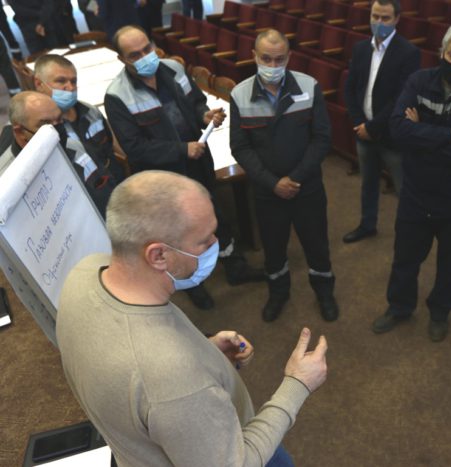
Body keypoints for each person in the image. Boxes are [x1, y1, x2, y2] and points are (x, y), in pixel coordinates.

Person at [56, 170, 329, 467]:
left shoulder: (83, 273)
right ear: (158, 256)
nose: (216, 243)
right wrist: (298, 384)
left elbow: (136, 373)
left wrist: (204, 351)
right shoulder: (172, 377)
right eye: (204, 241)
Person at [105, 25, 264, 311]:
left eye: (147, 49)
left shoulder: (174, 69)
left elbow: (195, 102)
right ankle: (192, 284)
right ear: (122, 59)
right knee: (175, 233)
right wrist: (182, 149)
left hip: (198, 162)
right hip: (162, 179)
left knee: (212, 214)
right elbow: (135, 148)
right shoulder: (117, 95)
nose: (144, 57)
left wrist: (204, 116)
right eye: (134, 55)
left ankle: (234, 265)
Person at [370, 20, 451, 342]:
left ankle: (440, 312)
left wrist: (420, 136)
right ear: (442, 51)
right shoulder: (419, 80)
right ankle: (399, 307)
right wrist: (449, 135)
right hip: (416, 192)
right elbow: (398, 130)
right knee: (405, 257)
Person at [230, 30, 338, 323]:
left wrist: (296, 178)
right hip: (267, 192)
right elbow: (240, 147)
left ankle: (324, 292)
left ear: (289, 57)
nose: (273, 65)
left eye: (279, 59)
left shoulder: (309, 86)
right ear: (254, 56)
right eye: (266, 58)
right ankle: (278, 292)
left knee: (317, 245)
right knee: (274, 248)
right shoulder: (240, 94)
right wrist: (272, 183)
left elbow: (322, 138)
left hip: (307, 187)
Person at [342, 0, 420, 244]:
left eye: (385, 18)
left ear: (397, 19)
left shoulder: (408, 52)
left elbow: (401, 98)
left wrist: (372, 127)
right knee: (368, 184)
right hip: (363, 132)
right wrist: (360, 123)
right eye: (375, 16)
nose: (378, 22)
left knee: (403, 188)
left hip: (391, 135)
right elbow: (350, 89)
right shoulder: (360, 48)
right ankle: (367, 225)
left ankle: (410, 234)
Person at [0, 92, 117, 216]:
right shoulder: (6, 181)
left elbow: (106, 185)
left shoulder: (74, 147)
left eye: (59, 119)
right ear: (20, 133)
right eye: (45, 124)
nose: (57, 130)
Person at [33, 54, 126, 183]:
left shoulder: (91, 111)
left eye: (73, 81)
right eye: (61, 81)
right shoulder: (37, 127)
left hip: (115, 180)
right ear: (39, 84)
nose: (70, 88)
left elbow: (115, 147)